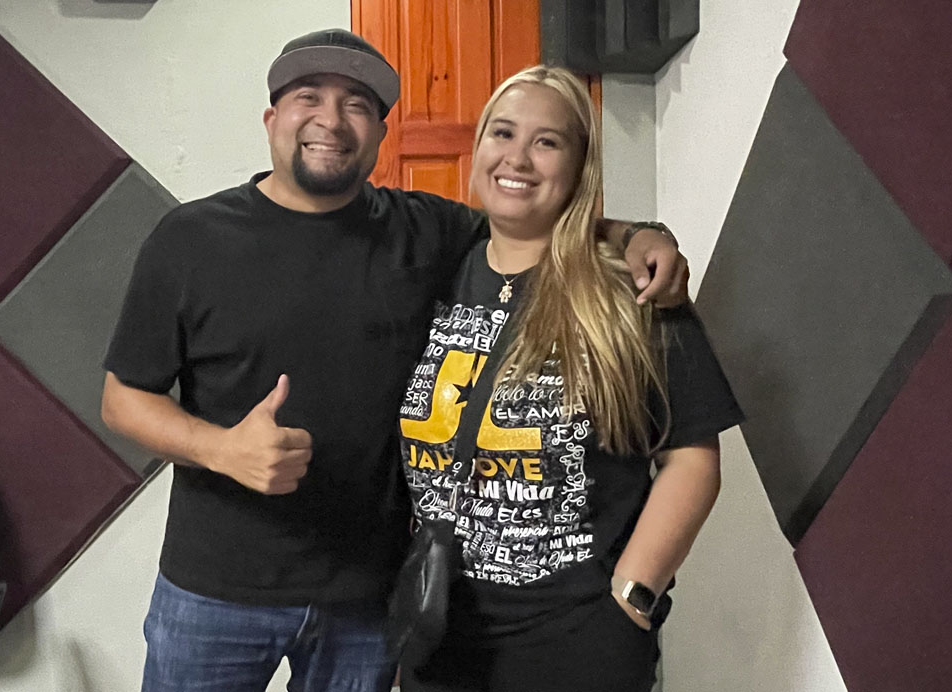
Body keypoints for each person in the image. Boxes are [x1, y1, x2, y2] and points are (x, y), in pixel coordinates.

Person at [101, 29, 687, 692]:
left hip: (369, 598)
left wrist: (642, 235)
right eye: (308, 97)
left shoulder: (427, 230)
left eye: (356, 104)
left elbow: (537, 214)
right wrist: (220, 449)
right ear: (271, 119)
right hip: (215, 593)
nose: (330, 120)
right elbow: (122, 399)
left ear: (380, 133)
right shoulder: (190, 239)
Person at [397, 65, 744, 692]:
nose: (517, 158)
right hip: (442, 635)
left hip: (577, 642)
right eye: (503, 133)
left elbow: (692, 459)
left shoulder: (631, 291)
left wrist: (633, 598)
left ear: (580, 166)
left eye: (547, 142)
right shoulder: (435, 272)